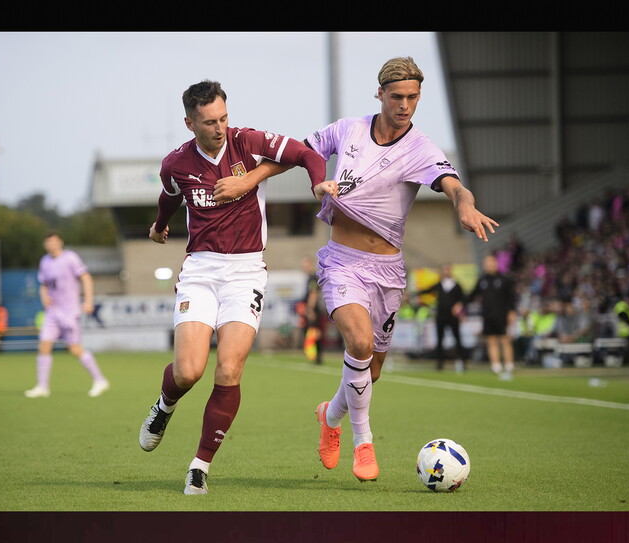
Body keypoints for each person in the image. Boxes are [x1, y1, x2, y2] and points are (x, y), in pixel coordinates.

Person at [213, 57, 498, 483]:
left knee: (371, 370)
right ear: (380, 93)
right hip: (341, 262)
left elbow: (455, 186)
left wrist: (466, 205)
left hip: (388, 271)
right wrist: (247, 180)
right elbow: (297, 154)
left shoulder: (421, 149)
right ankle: (363, 442)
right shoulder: (347, 130)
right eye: (397, 96)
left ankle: (329, 415)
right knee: (360, 343)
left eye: (413, 97)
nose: (405, 105)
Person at [137, 80, 337, 495]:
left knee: (229, 369)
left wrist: (313, 183)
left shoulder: (248, 142)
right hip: (201, 270)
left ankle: (200, 466)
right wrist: (159, 225)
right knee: (188, 371)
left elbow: (306, 153)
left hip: (246, 273)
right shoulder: (175, 163)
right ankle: (164, 405)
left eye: (224, 118)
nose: (220, 128)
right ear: (190, 123)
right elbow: (169, 196)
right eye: (210, 122)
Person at [24, 230, 110, 398]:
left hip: (69, 312)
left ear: (60, 242)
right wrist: (44, 297)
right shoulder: (44, 261)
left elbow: (86, 278)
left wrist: (88, 301)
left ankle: (100, 380)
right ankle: (42, 387)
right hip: (52, 312)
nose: (51, 245)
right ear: (45, 245)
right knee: (44, 346)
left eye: (54, 241)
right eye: (48, 242)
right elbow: (43, 283)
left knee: (74, 349)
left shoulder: (70, 258)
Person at [466, 253, 517, 378]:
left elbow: (511, 297)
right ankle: (496, 366)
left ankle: (509, 365)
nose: (489, 265)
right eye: (487, 263)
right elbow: (472, 294)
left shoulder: (504, 279)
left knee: (505, 339)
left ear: (496, 263)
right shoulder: (482, 280)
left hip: (502, 315)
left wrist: (512, 311)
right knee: (491, 340)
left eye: (491, 262)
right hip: (487, 315)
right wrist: (461, 304)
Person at [417, 264, 469, 371]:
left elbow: (463, 298)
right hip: (441, 316)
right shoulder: (439, 284)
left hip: (453, 316)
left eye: (448, 270)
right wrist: (415, 293)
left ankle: (461, 361)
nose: (446, 272)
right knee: (440, 339)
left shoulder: (456, 285)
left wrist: (460, 306)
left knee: (457, 338)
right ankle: (440, 362)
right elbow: (428, 290)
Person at [300, 256, 325, 364]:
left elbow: (313, 294)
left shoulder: (313, 278)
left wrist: (310, 309)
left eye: (306, 265)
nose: (304, 267)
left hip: (314, 310)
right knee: (313, 332)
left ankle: (317, 357)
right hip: (312, 309)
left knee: (314, 332)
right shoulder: (310, 278)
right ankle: (314, 356)